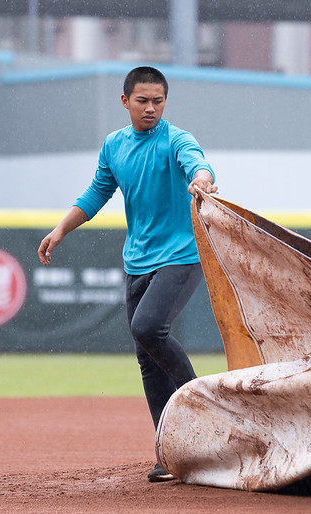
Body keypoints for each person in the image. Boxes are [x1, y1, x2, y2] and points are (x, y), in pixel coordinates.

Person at [37, 66, 218, 483]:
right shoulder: (114, 145)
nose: (151, 108)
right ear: (125, 102)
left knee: (148, 327)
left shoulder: (176, 139)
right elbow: (97, 192)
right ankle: (172, 452)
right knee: (147, 355)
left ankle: (205, 403)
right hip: (137, 260)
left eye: (158, 101)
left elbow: (198, 163)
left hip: (181, 255)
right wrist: (61, 229)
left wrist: (202, 180)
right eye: (142, 100)